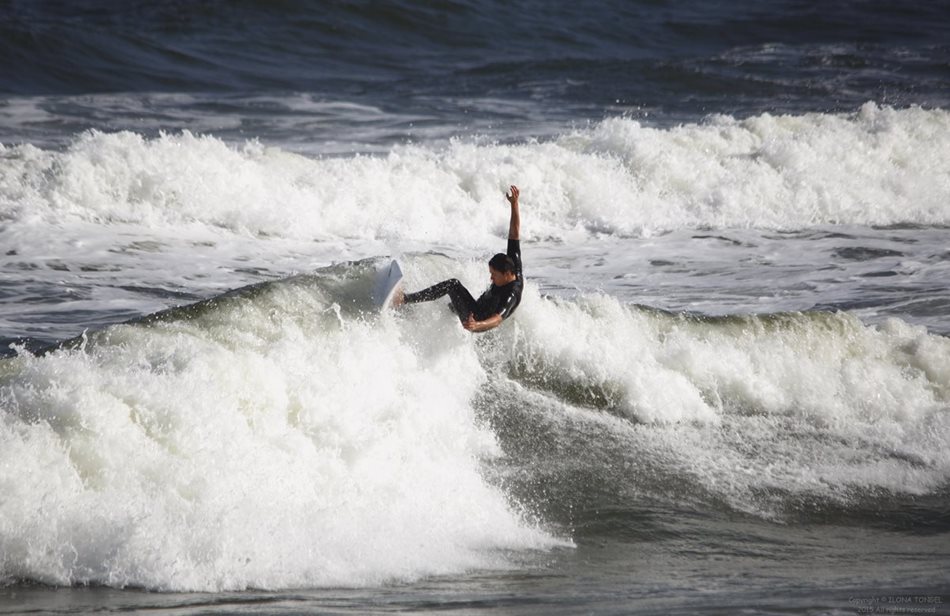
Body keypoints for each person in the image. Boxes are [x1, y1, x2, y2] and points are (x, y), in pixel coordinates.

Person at [397, 185, 522, 333]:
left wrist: (476, 325)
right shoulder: (513, 265)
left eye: (494, 275)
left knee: (453, 285)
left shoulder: (511, 294)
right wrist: (514, 204)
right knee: (450, 307)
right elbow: (514, 234)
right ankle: (413, 313)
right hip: (476, 308)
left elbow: (497, 320)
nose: (491, 279)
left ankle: (404, 299)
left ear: (507, 274)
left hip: (476, 320)